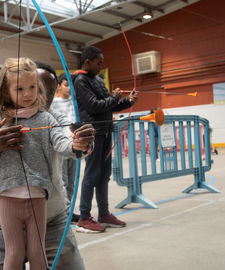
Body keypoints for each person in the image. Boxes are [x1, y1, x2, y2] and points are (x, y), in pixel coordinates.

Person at [0, 60, 94, 270]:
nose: (30, 95)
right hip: (4, 210)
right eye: (20, 88)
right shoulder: (2, 117)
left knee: (39, 254)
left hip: (51, 215)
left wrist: (80, 143)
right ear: (7, 91)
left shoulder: (52, 118)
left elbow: (67, 143)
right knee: (12, 254)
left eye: (36, 88)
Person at [73, 45, 138, 233]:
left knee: (104, 175)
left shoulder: (98, 80)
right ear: (87, 62)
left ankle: (103, 214)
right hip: (93, 133)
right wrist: (114, 97)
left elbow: (109, 107)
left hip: (105, 132)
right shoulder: (80, 80)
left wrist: (127, 101)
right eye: (98, 63)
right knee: (92, 175)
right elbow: (93, 106)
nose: (101, 66)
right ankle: (84, 218)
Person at [50, 73, 79, 222]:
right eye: (66, 85)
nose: (69, 89)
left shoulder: (76, 102)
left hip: (74, 145)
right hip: (61, 146)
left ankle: (70, 211)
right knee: (63, 180)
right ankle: (64, 212)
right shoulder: (53, 102)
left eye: (71, 86)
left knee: (72, 181)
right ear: (59, 86)